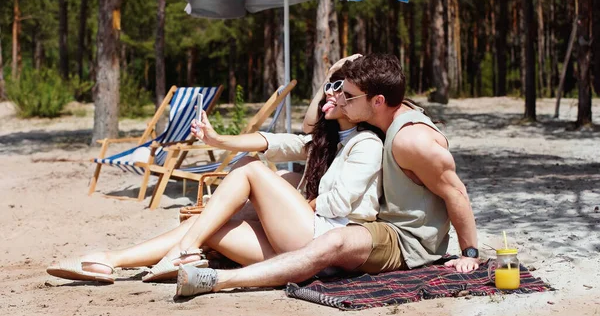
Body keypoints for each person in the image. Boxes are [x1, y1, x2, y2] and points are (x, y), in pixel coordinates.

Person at [176, 53, 479, 297]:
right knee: (265, 199)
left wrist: (470, 252)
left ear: (377, 101)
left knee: (333, 241)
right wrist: (330, 78)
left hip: (407, 240)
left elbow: (455, 191)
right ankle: (179, 256)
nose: (339, 100)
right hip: (382, 223)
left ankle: (217, 279)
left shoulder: (412, 140)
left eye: (348, 95)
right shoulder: (380, 117)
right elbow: (309, 131)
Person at [46, 66, 384, 284]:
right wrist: (217, 140)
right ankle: (111, 261)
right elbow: (278, 141)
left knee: (250, 169)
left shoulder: (366, 143)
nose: (332, 92)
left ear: (366, 103)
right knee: (213, 223)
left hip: (324, 244)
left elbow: (339, 203)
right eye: (331, 84)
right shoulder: (324, 139)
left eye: (343, 90)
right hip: (297, 251)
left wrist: (296, 200)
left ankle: (184, 250)